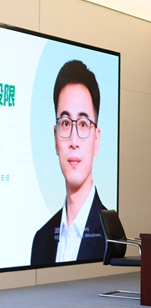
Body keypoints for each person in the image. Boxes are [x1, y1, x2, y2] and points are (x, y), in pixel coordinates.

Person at [31, 60, 106, 266]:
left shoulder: (112, 237)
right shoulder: (41, 240)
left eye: (83, 124)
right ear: (56, 138)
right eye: (65, 123)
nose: (73, 141)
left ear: (96, 139)